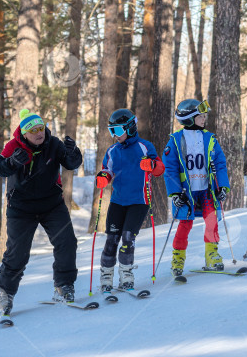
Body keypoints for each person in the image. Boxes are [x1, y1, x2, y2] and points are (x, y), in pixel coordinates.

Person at [0, 109, 83, 315]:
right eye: (33, 130)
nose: (39, 133)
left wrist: (73, 152)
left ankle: (64, 285)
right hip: (21, 208)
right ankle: (6, 293)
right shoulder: (13, 146)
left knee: (67, 242)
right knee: (18, 252)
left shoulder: (54, 144)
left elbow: (72, 164)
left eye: (41, 128)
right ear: (24, 133)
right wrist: (12, 162)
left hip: (52, 204)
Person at [95, 108, 165, 293]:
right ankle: (106, 277)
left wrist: (151, 165)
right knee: (111, 239)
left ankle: (126, 275)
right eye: (112, 131)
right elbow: (107, 170)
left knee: (127, 238)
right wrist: (104, 177)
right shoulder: (112, 150)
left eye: (118, 130)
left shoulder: (145, 146)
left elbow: (159, 168)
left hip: (139, 201)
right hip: (118, 201)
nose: (115, 135)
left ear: (130, 127)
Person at [162, 99, 230, 277]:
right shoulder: (175, 140)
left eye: (204, 116)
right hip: (186, 192)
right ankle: (178, 258)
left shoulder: (209, 138)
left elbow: (220, 164)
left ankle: (212, 255)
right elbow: (169, 169)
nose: (204, 119)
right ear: (189, 119)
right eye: (200, 116)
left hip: (206, 189)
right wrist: (175, 193)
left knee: (211, 220)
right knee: (185, 224)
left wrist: (222, 186)